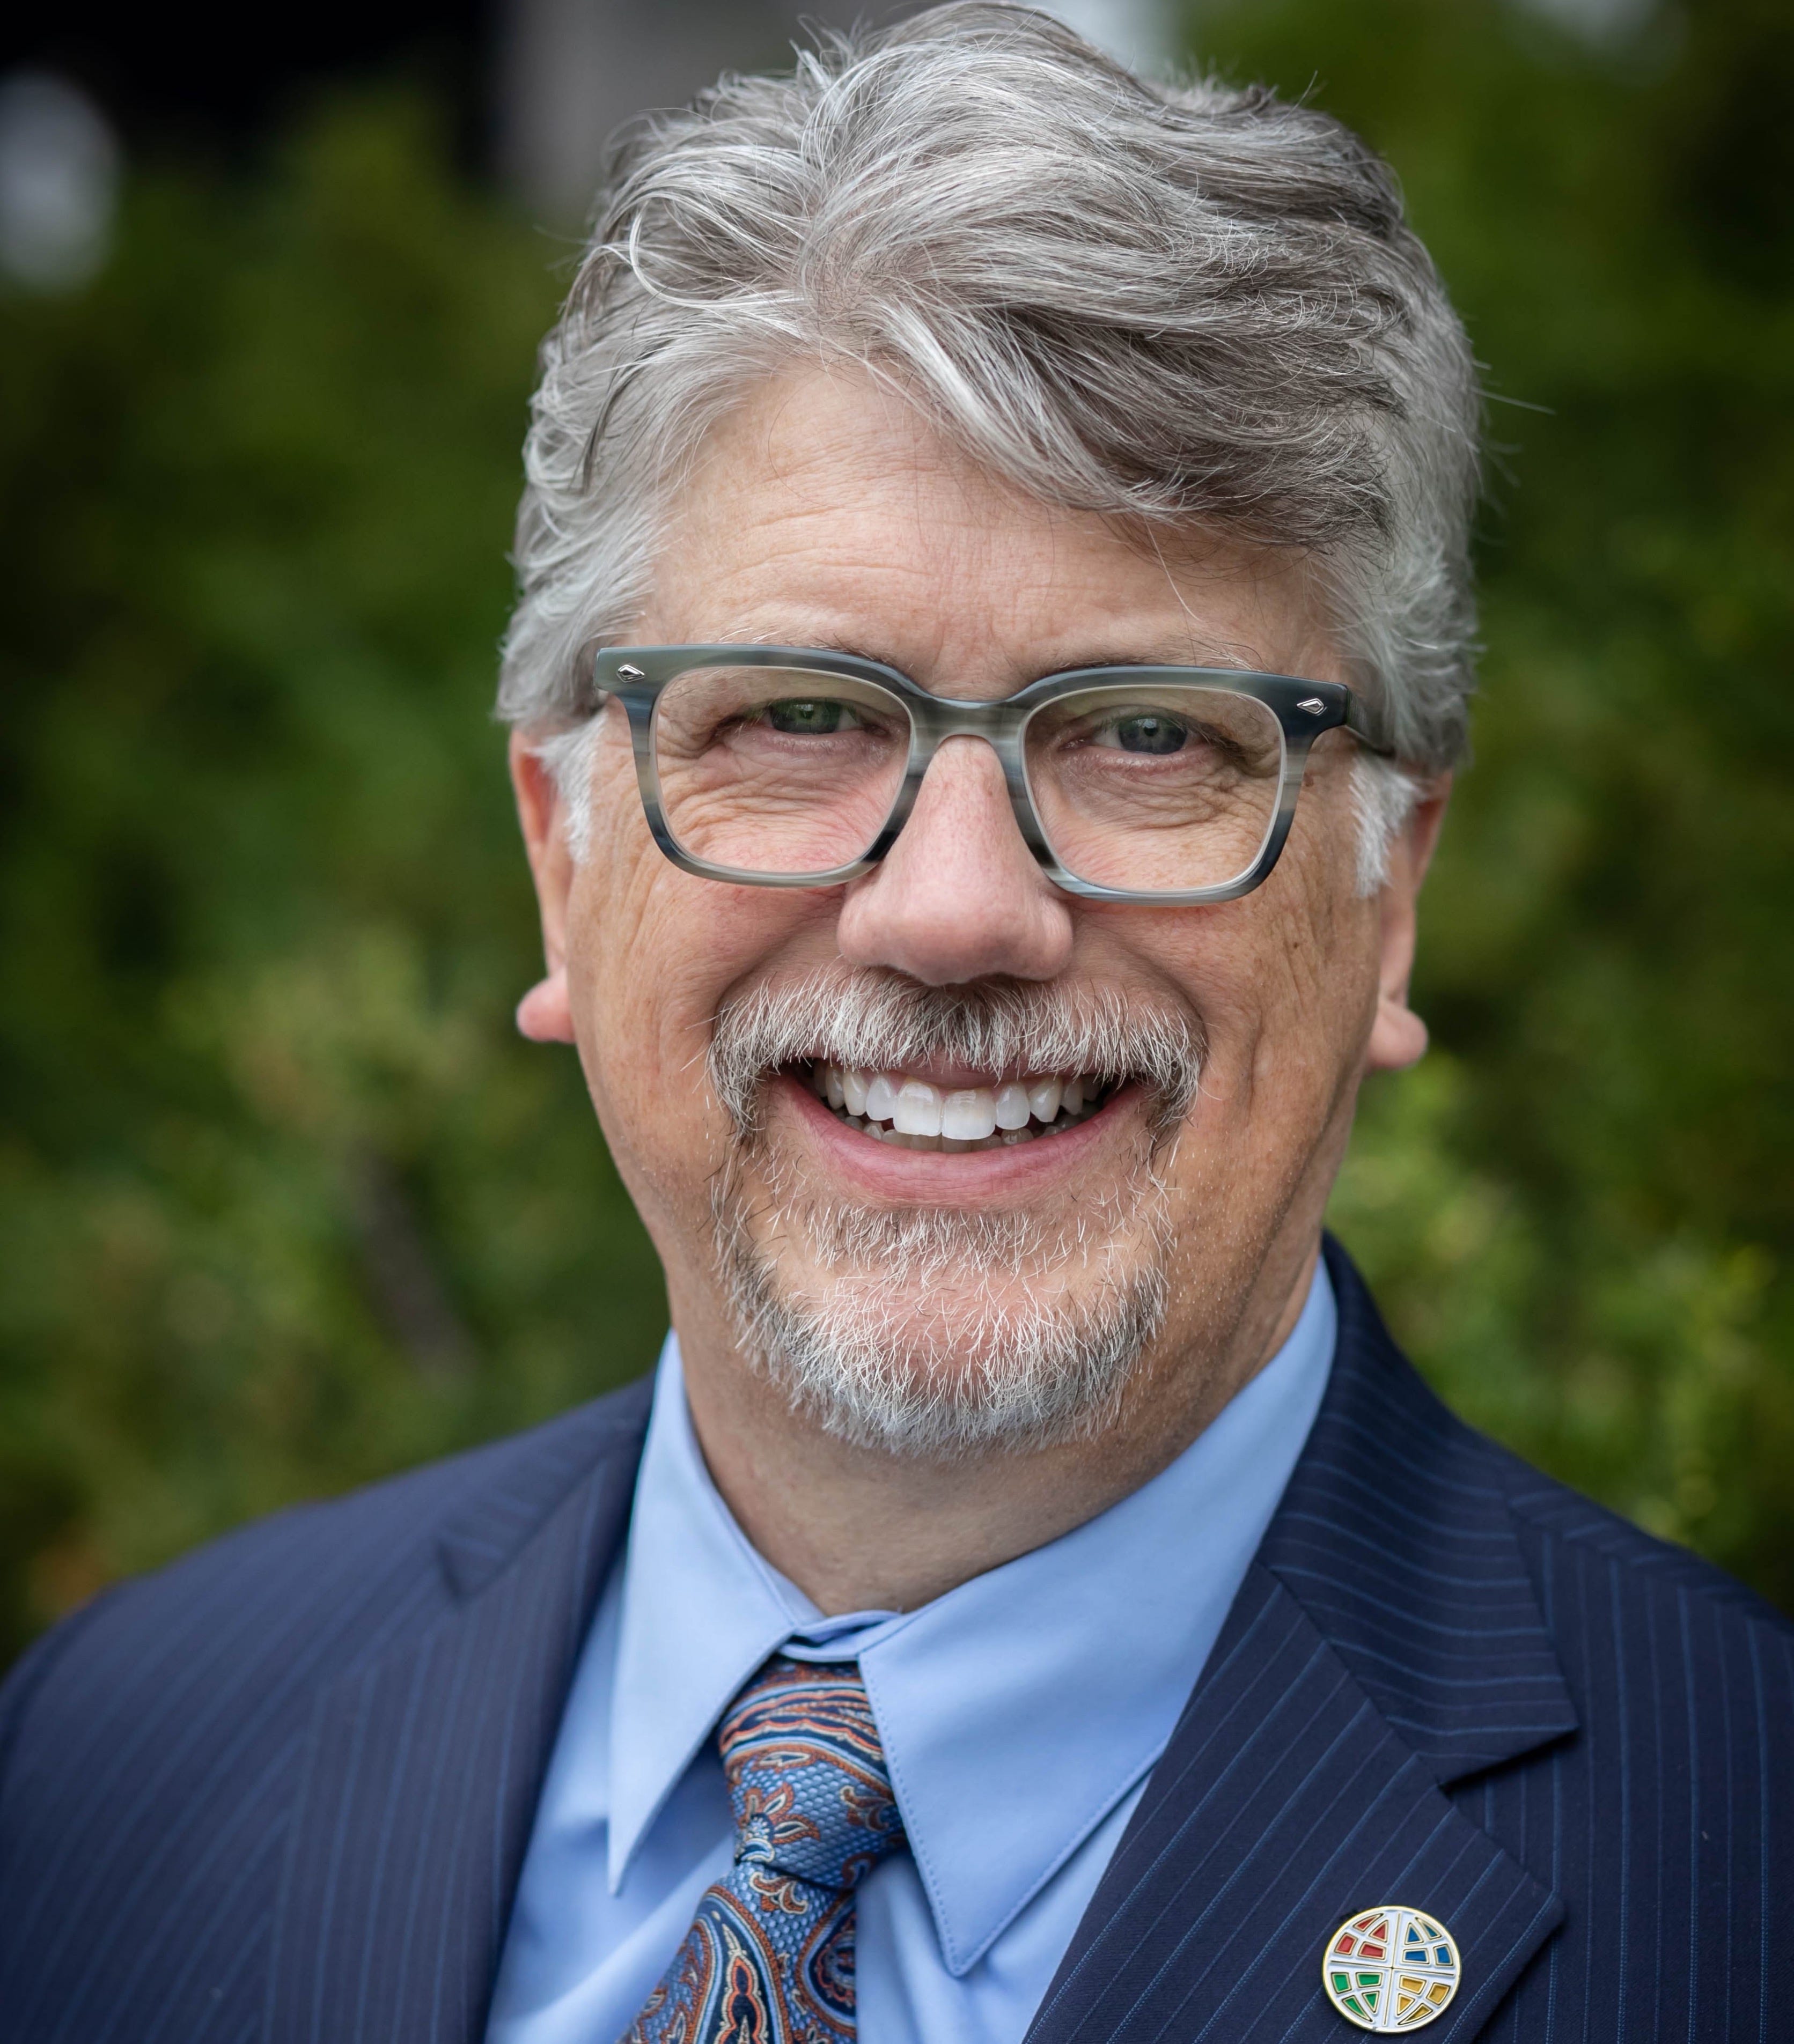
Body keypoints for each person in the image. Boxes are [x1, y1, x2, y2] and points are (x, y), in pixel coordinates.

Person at [1, 9, 1786, 2042]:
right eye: (798, 714)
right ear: (563, 859)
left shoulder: (1744, 1868)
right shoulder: (110, 1765)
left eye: (1147, 735)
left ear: (1388, 899)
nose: (951, 911)